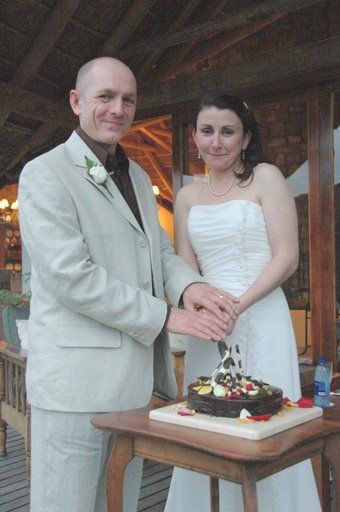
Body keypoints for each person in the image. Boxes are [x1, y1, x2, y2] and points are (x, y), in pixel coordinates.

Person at [18, 59, 240, 512]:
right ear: (77, 102)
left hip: (133, 386)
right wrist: (166, 315)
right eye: (105, 97)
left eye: (128, 100)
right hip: (73, 389)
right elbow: (71, 277)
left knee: (118, 503)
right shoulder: (43, 174)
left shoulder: (137, 176)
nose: (118, 109)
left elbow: (158, 252)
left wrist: (189, 289)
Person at [165, 92, 321, 512]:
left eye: (227, 132)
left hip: (261, 311)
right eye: (207, 131)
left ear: (246, 137)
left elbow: (287, 256)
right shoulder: (186, 197)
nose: (216, 141)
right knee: (207, 420)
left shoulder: (267, 177)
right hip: (210, 326)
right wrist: (201, 307)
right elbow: (184, 263)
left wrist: (239, 303)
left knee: (270, 424)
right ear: (195, 137)